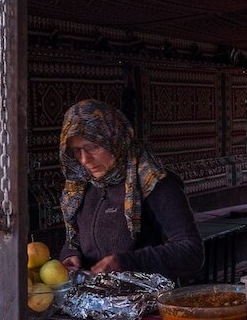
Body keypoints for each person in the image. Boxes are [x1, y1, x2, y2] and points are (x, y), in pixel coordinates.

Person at [58, 99, 204, 281]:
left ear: (114, 139)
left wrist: (126, 263)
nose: (85, 160)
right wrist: (70, 254)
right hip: (94, 302)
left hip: (147, 302)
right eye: (76, 151)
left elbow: (191, 252)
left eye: (93, 147)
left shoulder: (154, 182)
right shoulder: (80, 186)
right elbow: (75, 240)